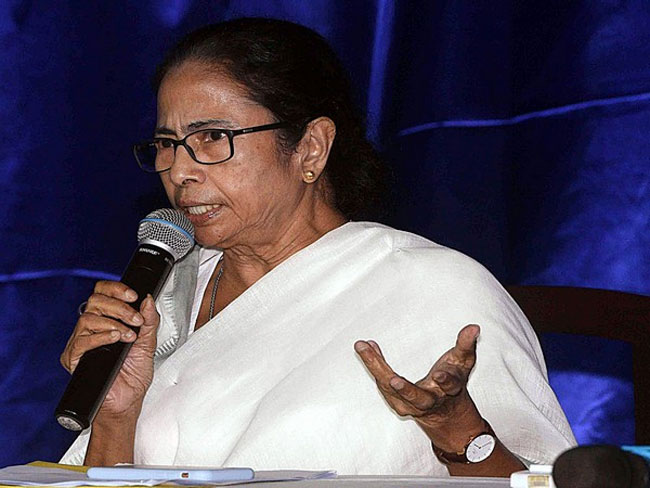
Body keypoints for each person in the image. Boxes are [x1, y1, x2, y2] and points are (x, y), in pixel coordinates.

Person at [59, 18, 575, 476]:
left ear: (310, 147)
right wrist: (117, 413)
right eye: (166, 144)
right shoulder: (165, 297)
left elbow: (541, 478)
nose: (178, 170)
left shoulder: (433, 288)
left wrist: (457, 431)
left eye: (211, 137)